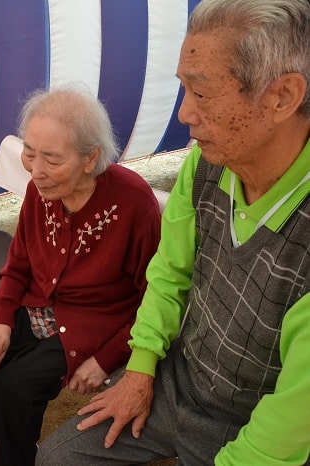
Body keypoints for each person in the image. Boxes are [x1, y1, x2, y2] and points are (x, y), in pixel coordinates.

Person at [36, 1, 310, 465]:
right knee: (57, 458)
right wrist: (140, 370)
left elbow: (290, 422)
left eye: (201, 94)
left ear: (282, 96)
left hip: (251, 420)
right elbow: (169, 272)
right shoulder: (205, 165)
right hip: (177, 380)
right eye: (183, 90)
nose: (184, 114)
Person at [0, 85, 162, 466]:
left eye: (51, 158)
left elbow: (154, 299)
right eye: (30, 153)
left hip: (97, 321)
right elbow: (18, 263)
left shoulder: (134, 204)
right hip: (37, 305)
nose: (36, 171)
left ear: (90, 158)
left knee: (18, 386)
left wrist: (107, 358)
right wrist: (1, 322)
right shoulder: (43, 189)